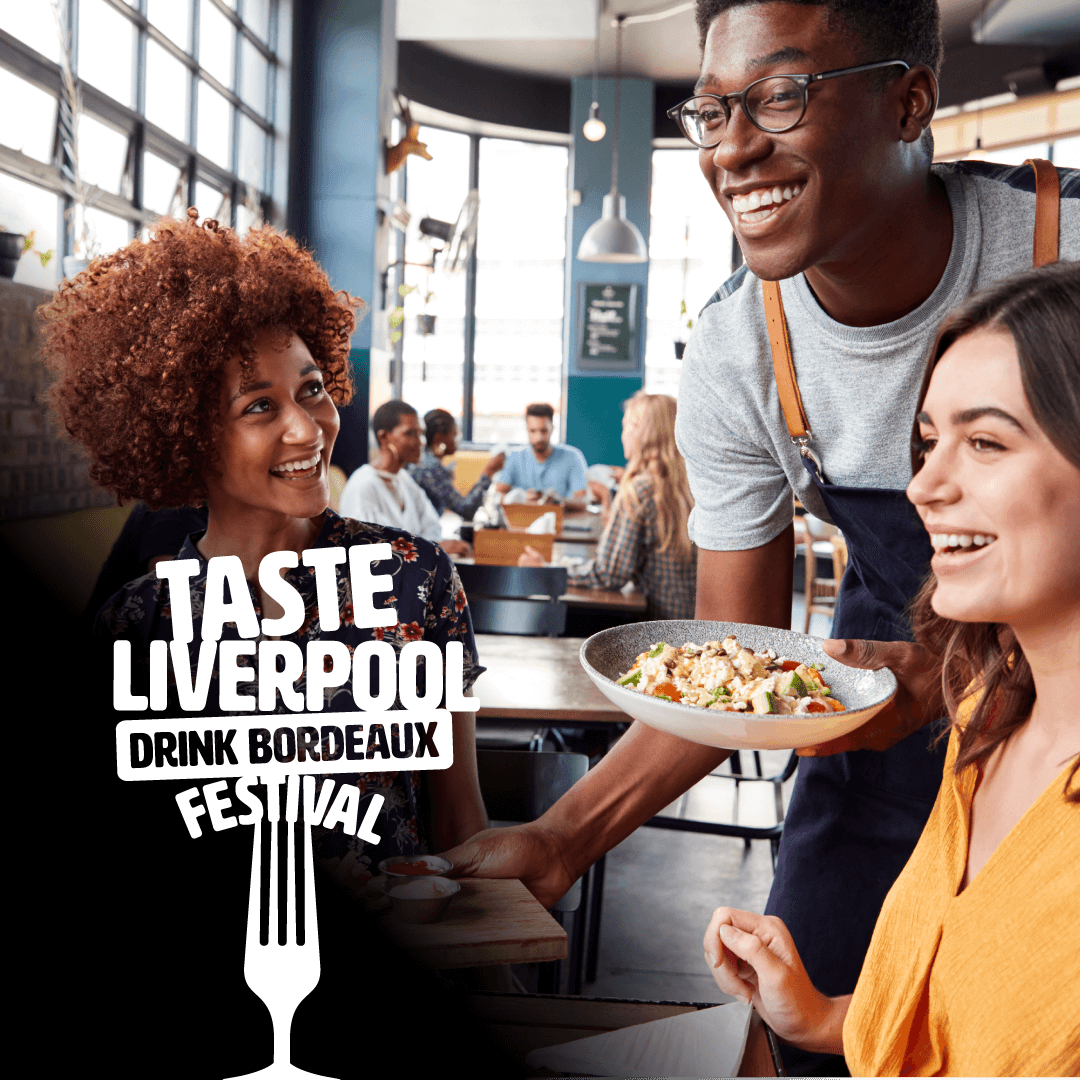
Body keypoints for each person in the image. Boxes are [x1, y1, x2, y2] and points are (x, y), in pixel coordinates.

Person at [443, 3, 1078, 1074]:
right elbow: (736, 663)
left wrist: (965, 678)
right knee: (829, 1028)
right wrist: (562, 839)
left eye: (781, 95)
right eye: (710, 109)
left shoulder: (1063, 250)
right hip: (879, 697)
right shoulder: (741, 349)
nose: (733, 147)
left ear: (909, 100)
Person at [42, 211, 490, 1075]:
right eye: (260, 407)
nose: (307, 428)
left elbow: (457, 815)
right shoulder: (140, 626)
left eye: (313, 389)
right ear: (182, 432)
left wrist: (491, 970)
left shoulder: (415, 579)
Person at [704, 261, 1080, 1077]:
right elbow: (971, 1018)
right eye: (928, 441)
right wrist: (818, 1015)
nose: (922, 486)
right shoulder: (986, 716)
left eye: (983, 443)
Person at [520, 392, 696, 620]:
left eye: (625, 428)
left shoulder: (640, 489)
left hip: (657, 628)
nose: (623, 436)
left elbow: (609, 574)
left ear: (641, 432)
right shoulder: (685, 485)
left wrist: (548, 570)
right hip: (690, 622)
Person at [339, 399, 471, 556]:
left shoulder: (404, 480)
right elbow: (369, 549)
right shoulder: (363, 485)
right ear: (384, 437)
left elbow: (432, 527)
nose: (420, 442)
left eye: (421, 434)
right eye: (410, 433)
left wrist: (433, 547)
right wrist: (431, 549)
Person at [408, 407, 506, 518]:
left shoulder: (425, 461)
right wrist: (489, 471)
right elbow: (466, 509)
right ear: (439, 438)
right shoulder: (431, 467)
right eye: (454, 435)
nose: (457, 441)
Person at [494, 402, 589, 508]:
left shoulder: (573, 457)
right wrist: (521, 498)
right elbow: (496, 496)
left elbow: (583, 501)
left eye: (544, 431)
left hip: (559, 520)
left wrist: (557, 501)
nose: (539, 437)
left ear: (552, 428)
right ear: (527, 429)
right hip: (520, 521)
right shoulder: (514, 457)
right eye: (533, 431)